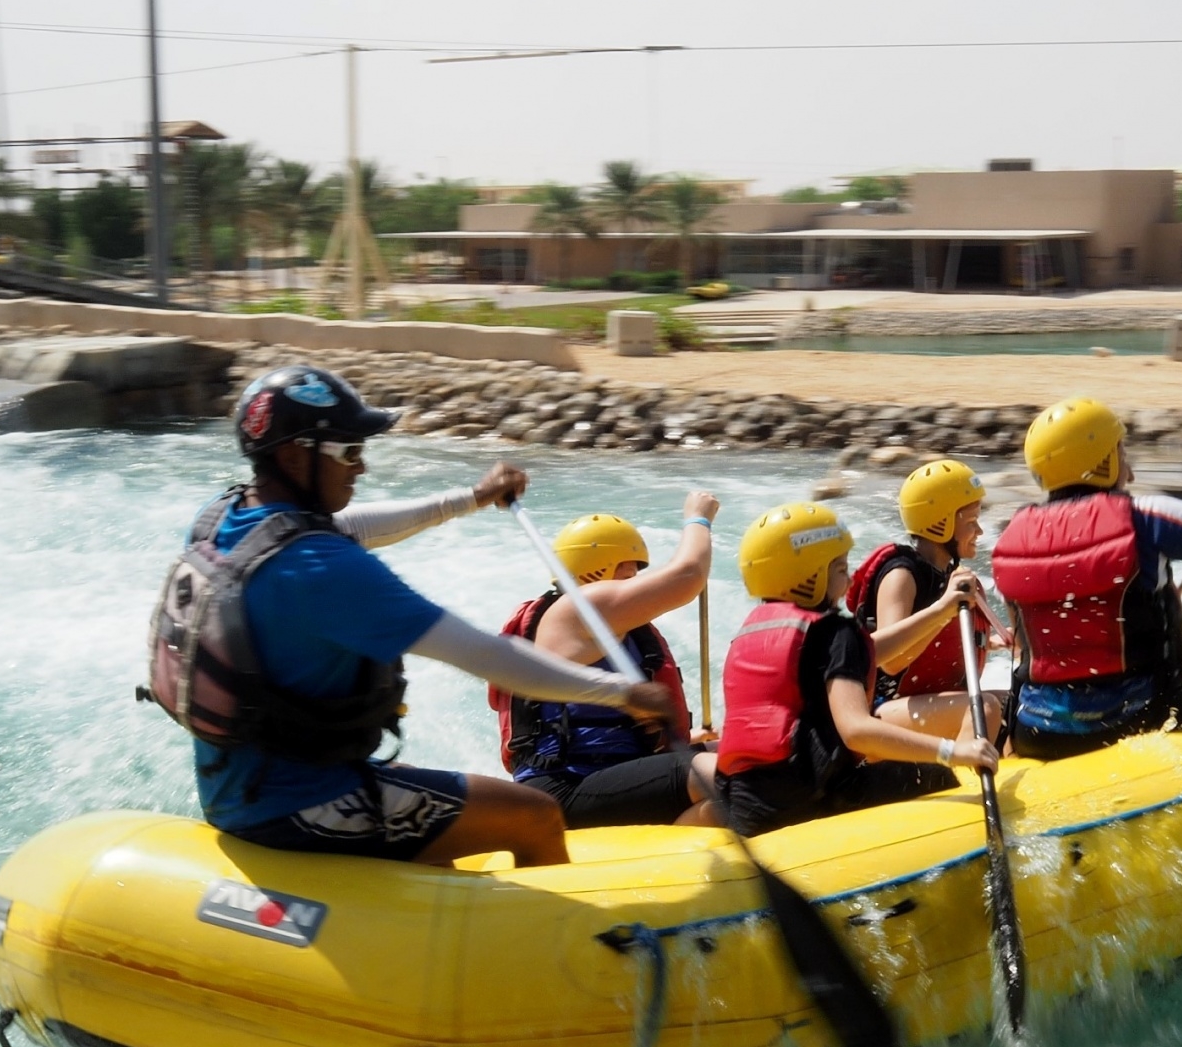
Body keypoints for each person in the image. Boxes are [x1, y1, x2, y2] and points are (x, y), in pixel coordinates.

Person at [142, 364, 675, 868]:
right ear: (295, 457)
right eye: (348, 451)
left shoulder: (224, 522)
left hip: (236, 786)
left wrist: (470, 498)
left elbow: (353, 525)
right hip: (299, 803)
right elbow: (489, 656)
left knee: (441, 794)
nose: (361, 465)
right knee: (532, 814)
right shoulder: (323, 569)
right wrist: (623, 693)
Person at [677, 502, 1000, 837]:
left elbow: (866, 653)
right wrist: (953, 752)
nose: (848, 580)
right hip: (810, 800)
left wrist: (942, 610)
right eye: (842, 568)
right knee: (938, 776)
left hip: (746, 801)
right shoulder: (835, 632)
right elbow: (857, 731)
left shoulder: (753, 631)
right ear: (812, 573)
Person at [991, 396, 1182, 761]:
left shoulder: (1011, 538)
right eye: (1121, 453)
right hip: (1144, 718)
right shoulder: (1145, 516)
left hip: (1040, 733)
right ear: (1103, 461)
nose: (1128, 471)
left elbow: (1025, 644)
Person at [492, 495, 721, 827]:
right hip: (566, 785)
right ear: (599, 567)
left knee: (736, 756)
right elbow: (689, 576)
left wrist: (686, 736)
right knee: (725, 775)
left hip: (603, 775)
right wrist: (698, 518)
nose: (637, 577)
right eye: (629, 567)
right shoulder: (580, 608)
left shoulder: (608, 628)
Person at [845, 458, 1005, 742]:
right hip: (882, 713)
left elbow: (935, 645)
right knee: (985, 707)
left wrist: (991, 642)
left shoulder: (947, 574)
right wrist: (944, 609)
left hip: (925, 704)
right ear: (940, 524)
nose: (979, 532)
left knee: (1017, 703)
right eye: (971, 522)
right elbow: (891, 662)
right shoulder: (901, 575)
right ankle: (968, 778)